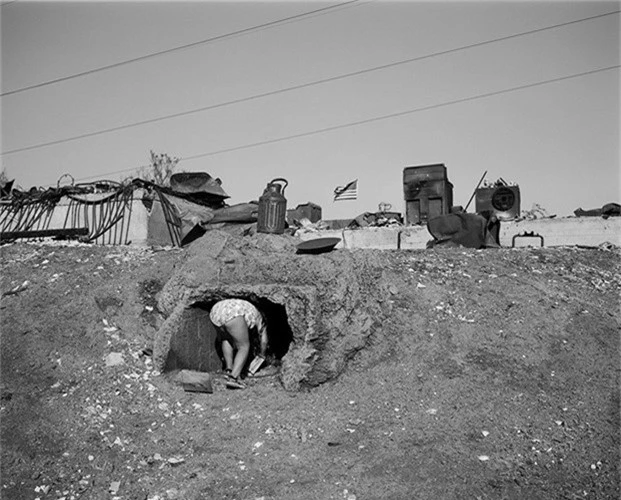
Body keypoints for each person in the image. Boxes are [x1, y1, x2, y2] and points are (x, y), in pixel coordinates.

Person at [209, 298, 268, 389]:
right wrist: (262, 355)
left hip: (216, 310)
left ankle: (229, 370)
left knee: (226, 339)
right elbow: (264, 340)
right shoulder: (260, 318)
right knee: (244, 346)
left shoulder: (248, 307)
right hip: (234, 313)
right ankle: (233, 378)